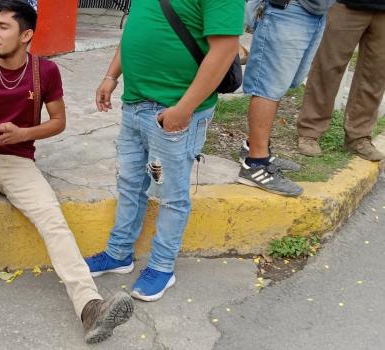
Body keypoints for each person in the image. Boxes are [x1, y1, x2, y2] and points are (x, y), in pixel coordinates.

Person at [0, 0, 133, 344]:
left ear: (26, 35)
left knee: (52, 217)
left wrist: (23, 134)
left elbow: (58, 121)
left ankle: (90, 306)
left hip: (20, 161)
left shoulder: (45, 72)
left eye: (3, 27)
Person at [85, 0, 243, 301]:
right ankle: (119, 254)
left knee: (171, 195)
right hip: (134, 103)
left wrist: (184, 109)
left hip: (173, 112)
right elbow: (135, 28)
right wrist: (111, 76)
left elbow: (224, 50)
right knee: (130, 184)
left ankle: (162, 266)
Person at [237, 0, 335, 197]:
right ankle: (255, 163)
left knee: (279, 84)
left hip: (315, 11)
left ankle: (255, 147)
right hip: (287, 9)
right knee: (268, 85)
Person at [297, 0, 385, 161]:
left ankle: (358, 137)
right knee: (327, 69)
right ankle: (310, 131)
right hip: (344, 5)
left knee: (375, 75)